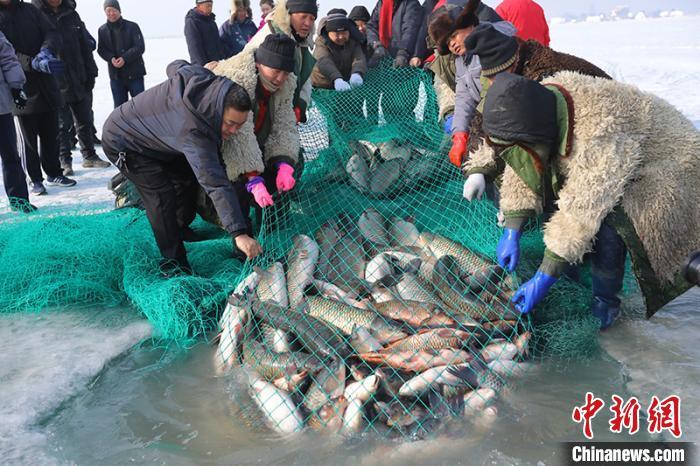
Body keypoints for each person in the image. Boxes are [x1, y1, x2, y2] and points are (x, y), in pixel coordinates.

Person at [480, 71, 700, 329]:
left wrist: (545, 276)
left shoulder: (599, 131)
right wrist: (512, 229)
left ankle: (606, 301)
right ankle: (573, 274)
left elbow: (582, 210)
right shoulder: (531, 105)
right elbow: (523, 161)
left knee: (612, 225)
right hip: (624, 150)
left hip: (672, 161)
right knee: (561, 204)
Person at [101, 60, 262, 277]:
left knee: (186, 176)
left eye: (239, 125)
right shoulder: (195, 133)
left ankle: (179, 226)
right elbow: (215, 182)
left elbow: (176, 66)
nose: (233, 131)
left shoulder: (201, 78)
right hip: (124, 141)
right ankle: (173, 263)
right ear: (217, 109)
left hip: (162, 139)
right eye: (230, 123)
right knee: (161, 196)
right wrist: (239, 233)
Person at [459, 23, 611, 202]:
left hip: (601, 138)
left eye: (497, 77)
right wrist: (477, 170)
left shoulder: (545, 76)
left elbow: (525, 137)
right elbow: (486, 119)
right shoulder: (506, 80)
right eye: (489, 79)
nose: (493, 84)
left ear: (512, 63)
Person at [207, 34, 300, 236]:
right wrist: (253, 178)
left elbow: (284, 124)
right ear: (259, 64)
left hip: (257, 143)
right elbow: (238, 134)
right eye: (276, 71)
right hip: (223, 147)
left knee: (281, 172)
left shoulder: (285, 84)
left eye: (285, 73)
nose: (280, 78)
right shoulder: (236, 79)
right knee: (237, 190)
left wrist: (284, 162)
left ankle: (275, 232)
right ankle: (243, 241)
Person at [0, 0, 76, 195]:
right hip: (19, 84)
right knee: (28, 139)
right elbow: (6, 53)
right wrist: (30, 62)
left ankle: (53, 172)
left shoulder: (30, 9)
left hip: (46, 78)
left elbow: (51, 31)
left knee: (51, 132)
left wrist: (46, 51)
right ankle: (34, 179)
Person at [428, 1, 514, 167]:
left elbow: (496, 94)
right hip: (490, 127)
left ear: (470, 25)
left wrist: (474, 131)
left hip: (510, 126)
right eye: (447, 43)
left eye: (454, 36)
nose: (452, 44)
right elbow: (463, 96)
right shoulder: (463, 59)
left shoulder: (494, 45)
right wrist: (459, 133)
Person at [33, 0, 110, 175]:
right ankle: (64, 160)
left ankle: (89, 155)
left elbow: (85, 44)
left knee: (85, 120)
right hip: (55, 79)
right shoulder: (37, 16)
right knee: (61, 125)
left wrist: (91, 72)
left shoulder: (71, 14)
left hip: (79, 76)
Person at [247, 0, 317, 123]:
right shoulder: (268, 38)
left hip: (284, 117)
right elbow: (245, 69)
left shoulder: (302, 43)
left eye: (312, 19)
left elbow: (305, 77)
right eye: (303, 17)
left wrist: (300, 105)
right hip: (256, 114)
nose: (308, 23)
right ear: (289, 14)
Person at [0, 31, 36, 212]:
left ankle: (19, 200)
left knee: (10, 155)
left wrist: (16, 87)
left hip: (1, 108)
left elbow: (8, 58)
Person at [97, 0, 146, 108]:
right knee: (120, 109)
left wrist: (124, 58)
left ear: (119, 11)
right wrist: (111, 58)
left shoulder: (132, 27)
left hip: (135, 75)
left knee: (140, 106)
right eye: (108, 11)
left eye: (114, 10)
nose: (111, 14)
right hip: (116, 77)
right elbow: (101, 49)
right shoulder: (102, 30)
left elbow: (140, 47)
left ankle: (142, 125)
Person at [311, 11, 367, 91]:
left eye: (344, 33)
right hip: (322, 85)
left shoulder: (353, 40)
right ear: (329, 33)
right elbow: (324, 61)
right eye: (337, 34)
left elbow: (359, 58)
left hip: (346, 82)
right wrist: (337, 79)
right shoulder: (321, 41)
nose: (341, 37)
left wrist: (357, 73)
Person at [365, 0, 423, 69]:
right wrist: (376, 45)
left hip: (404, 58)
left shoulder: (410, 2)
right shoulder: (381, 3)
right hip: (382, 58)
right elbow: (371, 26)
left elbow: (410, 29)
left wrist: (403, 52)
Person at [184, 0, 229, 67]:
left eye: (211, 6)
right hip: (205, 67)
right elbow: (195, 48)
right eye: (207, 6)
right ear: (198, 6)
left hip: (217, 65)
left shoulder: (212, 22)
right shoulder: (192, 23)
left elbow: (218, 44)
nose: (210, 8)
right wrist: (203, 67)